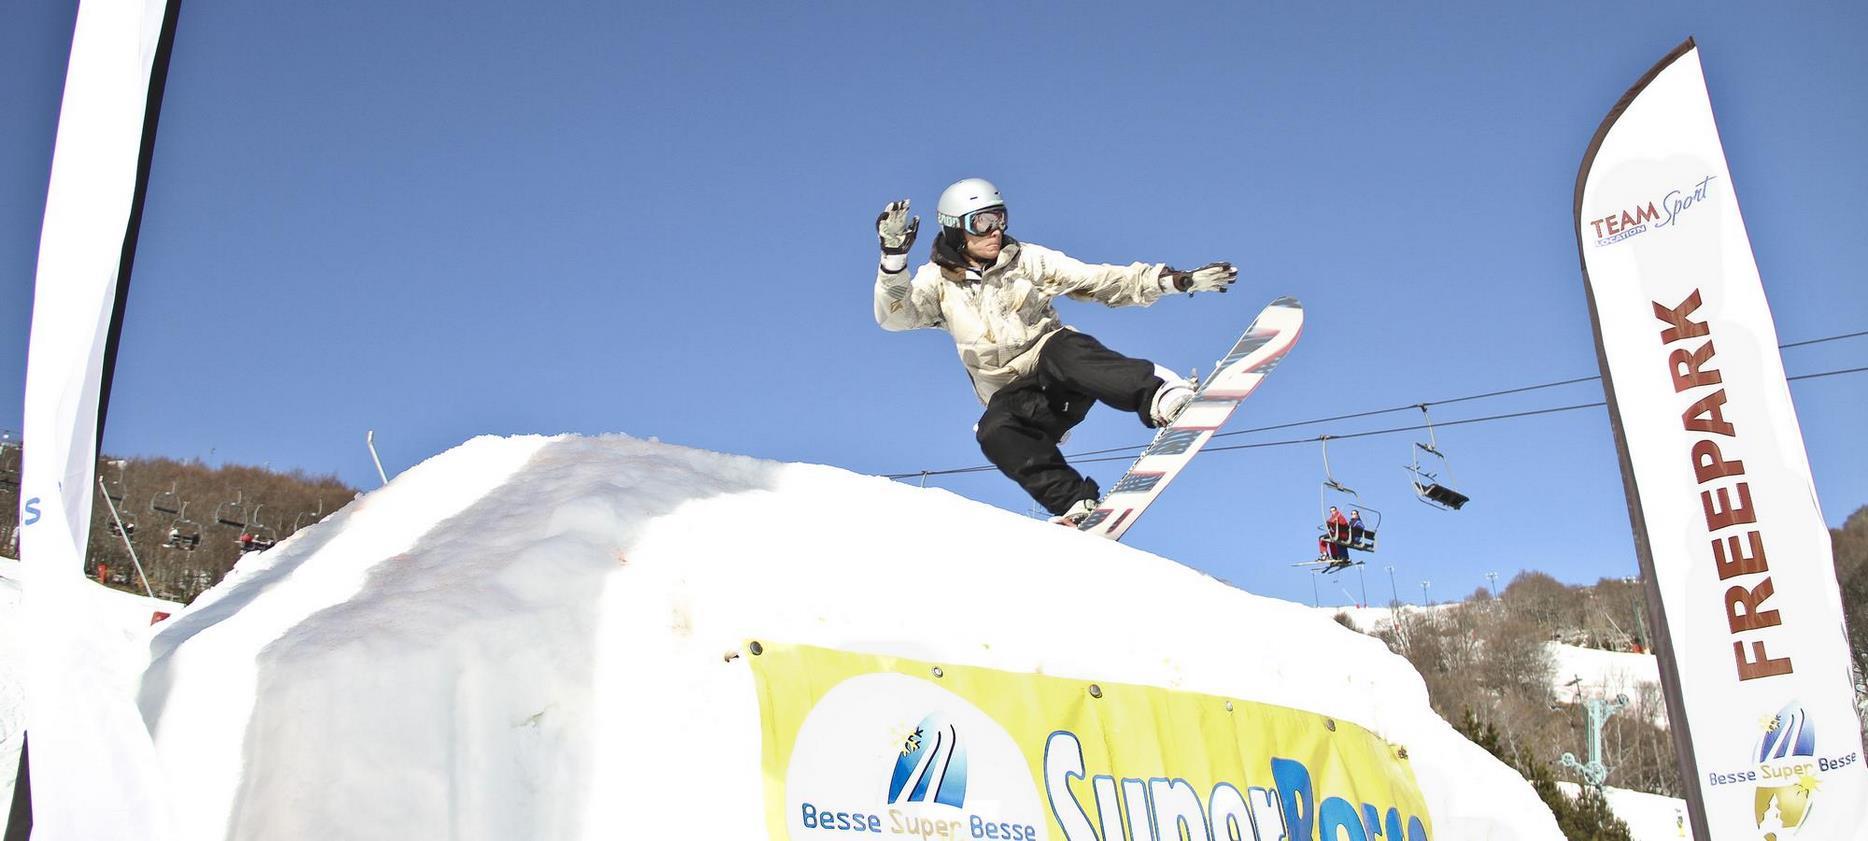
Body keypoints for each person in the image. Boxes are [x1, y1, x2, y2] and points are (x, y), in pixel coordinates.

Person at [874, 178, 1237, 523]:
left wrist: (1174, 281)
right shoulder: (937, 282)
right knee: (992, 430)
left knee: (1061, 348)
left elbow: (1099, 281)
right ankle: (1073, 503)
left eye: (999, 217)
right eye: (982, 222)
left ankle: (1161, 397)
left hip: (1060, 372)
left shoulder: (1027, 260)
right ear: (956, 228)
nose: (995, 229)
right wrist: (893, 259)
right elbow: (896, 316)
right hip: (1021, 401)